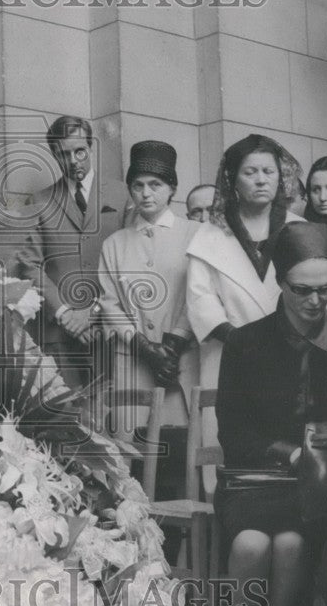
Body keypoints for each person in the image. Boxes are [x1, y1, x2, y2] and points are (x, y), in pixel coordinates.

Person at [212, 222, 327, 606]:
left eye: (325, 290)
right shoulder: (244, 342)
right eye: (302, 290)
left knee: (289, 542)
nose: (314, 301)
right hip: (254, 480)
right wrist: (288, 451)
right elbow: (232, 431)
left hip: (316, 488)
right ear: (279, 282)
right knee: (251, 543)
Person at [96, 140, 200, 444]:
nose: (146, 193)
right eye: (138, 185)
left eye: (155, 184)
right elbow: (110, 303)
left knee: (183, 448)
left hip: (181, 361)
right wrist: (144, 346)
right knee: (133, 452)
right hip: (133, 360)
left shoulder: (195, 235)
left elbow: (200, 295)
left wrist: (174, 344)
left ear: (172, 188)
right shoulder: (115, 243)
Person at [185, 134, 307, 392]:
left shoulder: (301, 229)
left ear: (280, 176)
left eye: (268, 171)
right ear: (233, 181)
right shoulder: (208, 235)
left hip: (291, 353)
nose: (261, 180)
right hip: (230, 355)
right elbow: (200, 299)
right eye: (250, 172)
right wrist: (240, 341)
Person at [14, 115, 128, 389]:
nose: (74, 161)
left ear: (90, 148)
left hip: (109, 329)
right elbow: (29, 264)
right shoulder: (39, 200)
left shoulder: (122, 195)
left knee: (112, 418)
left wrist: (93, 313)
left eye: (80, 151)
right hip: (58, 333)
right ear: (54, 155)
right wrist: (66, 314)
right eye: (64, 154)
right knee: (66, 417)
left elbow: (128, 265)